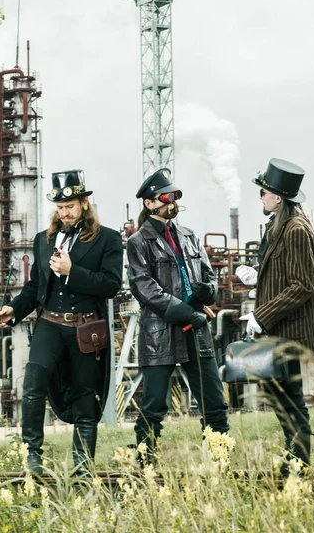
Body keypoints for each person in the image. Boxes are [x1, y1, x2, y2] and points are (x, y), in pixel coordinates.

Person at [0, 170, 123, 475]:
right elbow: (34, 288)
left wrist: (71, 270)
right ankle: (32, 457)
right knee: (33, 385)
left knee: (85, 399)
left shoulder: (108, 239)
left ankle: (82, 469)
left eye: (70, 207)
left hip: (86, 328)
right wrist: (13, 309)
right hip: (49, 324)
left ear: (85, 204)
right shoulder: (44, 240)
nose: (64, 213)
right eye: (60, 207)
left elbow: (111, 285)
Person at [126, 168, 229, 464]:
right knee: (154, 404)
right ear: (149, 203)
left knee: (214, 402)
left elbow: (211, 277)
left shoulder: (189, 236)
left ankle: (220, 461)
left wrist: (207, 290)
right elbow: (145, 289)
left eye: (176, 195)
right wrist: (186, 313)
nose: (173, 201)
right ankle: (146, 466)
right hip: (161, 333)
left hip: (196, 331)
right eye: (166, 196)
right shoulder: (138, 242)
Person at [236, 158, 314, 471]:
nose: (260, 196)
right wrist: (257, 275)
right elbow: (282, 272)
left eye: (263, 191)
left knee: (290, 398)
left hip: (291, 330)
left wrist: (260, 316)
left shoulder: (296, 230)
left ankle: (298, 463)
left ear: (277, 196)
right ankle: (294, 458)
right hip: (281, 329)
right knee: (282, 395)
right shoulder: (278, 224)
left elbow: (302, 284)